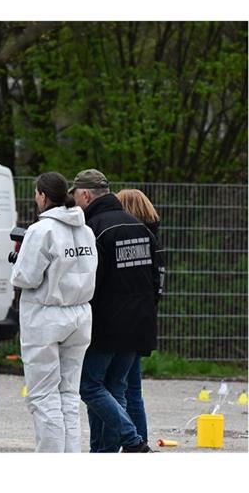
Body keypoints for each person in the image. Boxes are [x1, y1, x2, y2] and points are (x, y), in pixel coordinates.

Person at [70, 170, 162, 453]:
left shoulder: (94, 229)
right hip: (140, 324)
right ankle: (104, 454)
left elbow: (89, 282)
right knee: (116, 389)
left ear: (85, 195)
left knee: (90, 387)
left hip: (107, 325)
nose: (74, 203)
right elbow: (155, 280)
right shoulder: (140, 228)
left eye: (75, 197)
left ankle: (132, 440)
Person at [10, 172, 98, 453]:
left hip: (46, 317)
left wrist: (18, 260)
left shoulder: (41, 230)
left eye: (37, 194)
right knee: (69, 395)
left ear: (44, 196)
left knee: (43, 395)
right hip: (80, 314)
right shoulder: (85, 230)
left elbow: (25, 278)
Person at [111, 188, 164, 449]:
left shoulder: (126, 236)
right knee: (134, 390)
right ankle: (139, 442)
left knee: (117, 388)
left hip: (123, 322)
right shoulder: (153, 238)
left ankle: (132, 442)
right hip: (144, 321)